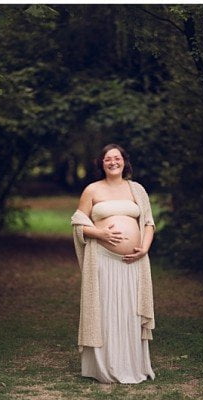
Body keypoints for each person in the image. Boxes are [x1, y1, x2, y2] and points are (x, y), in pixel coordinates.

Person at [71, 143, 156, 384]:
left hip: (132, 262)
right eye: (108, 159)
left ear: (124, 162)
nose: (113, 162)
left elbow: (148, 223)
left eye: (117, 158)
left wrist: (144, 249)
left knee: (130, 311)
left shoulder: (137, 190)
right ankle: (103, 366)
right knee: (105, 309)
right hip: (102, 259)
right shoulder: (92, 190)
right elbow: (78, 223)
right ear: (102, 164)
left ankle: (132, 364)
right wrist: (101, 234)